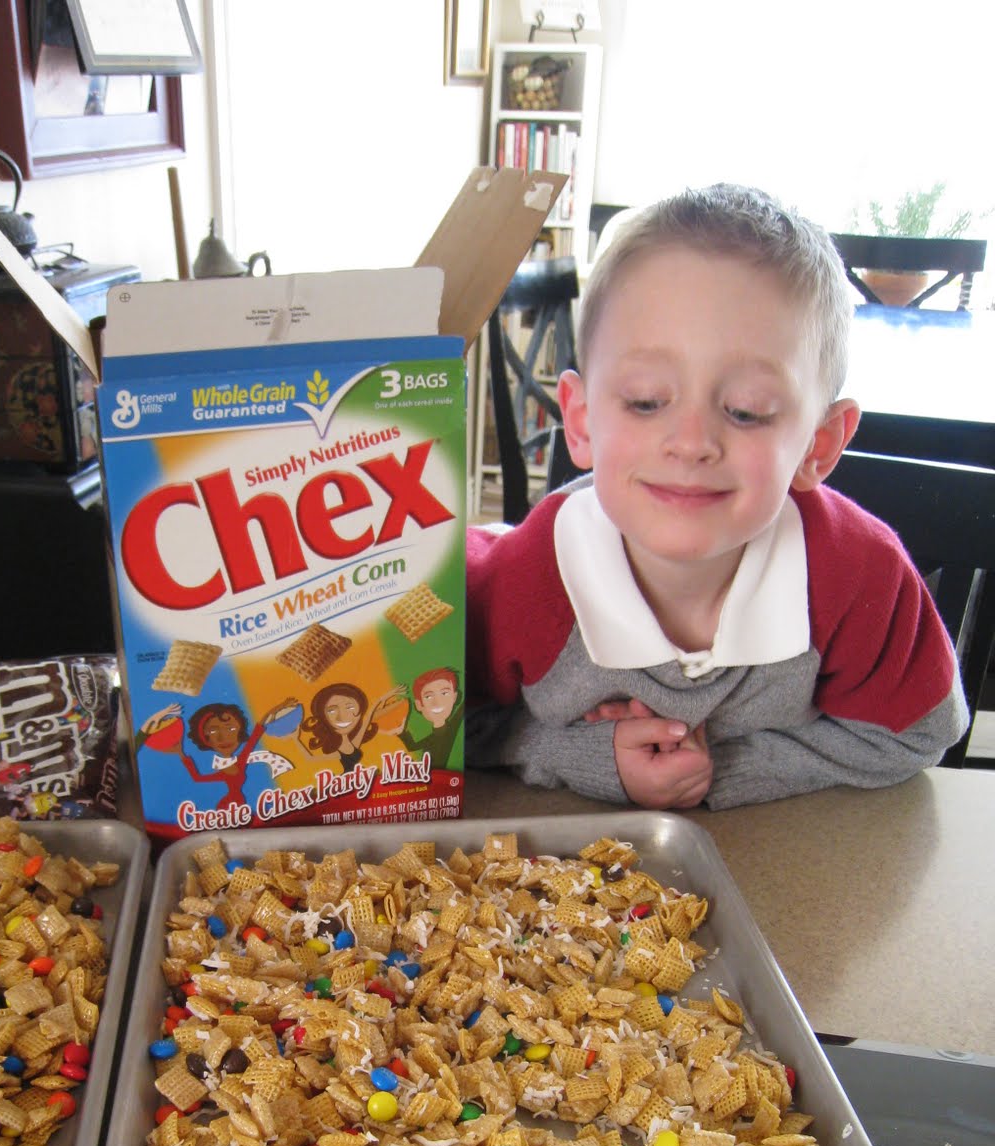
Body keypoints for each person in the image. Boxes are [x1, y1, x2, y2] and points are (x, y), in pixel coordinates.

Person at [466, 183, 968, 810]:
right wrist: (583, 758)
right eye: (647, 400)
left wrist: (716, 769)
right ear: (583, 421)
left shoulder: (858, 573)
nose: (692, 442)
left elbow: (917, 734)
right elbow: (416, 729)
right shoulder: (520, 581)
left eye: (746, 411)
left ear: (818, 445)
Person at [139, 699, 295, 809]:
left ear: (240, 730)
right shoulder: (224, 771)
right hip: (226, 808)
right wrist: (181, 753)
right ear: (204, 738)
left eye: (231, 729)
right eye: (213, 731)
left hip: (241, 807)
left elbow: (259, 727)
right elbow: (197, 778)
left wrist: (281, 706)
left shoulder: (241, 760)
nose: (223, 737)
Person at [298, 682, 409, 772]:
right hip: (348, 782)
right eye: (331, 710)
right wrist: (295, 738)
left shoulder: (355, 742)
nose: (342, 717)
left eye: (350, 708)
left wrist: (384, 698)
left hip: (359, 778)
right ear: (323, 719)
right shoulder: (339, 752)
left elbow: (369, 715)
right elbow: (310, 758)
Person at [398, 666, 464, 769]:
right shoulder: (432, 738)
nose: (437, 702)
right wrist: (401, 732)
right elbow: (412, 747)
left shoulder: (452, 728)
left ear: (454, 697)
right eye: (428, 696)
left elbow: (461, 711)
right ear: (419, 705)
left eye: (444, 693)